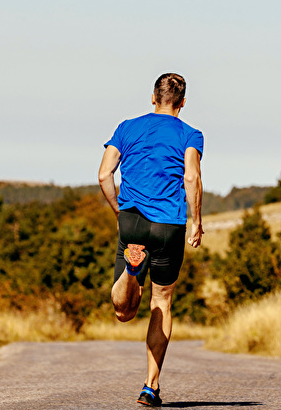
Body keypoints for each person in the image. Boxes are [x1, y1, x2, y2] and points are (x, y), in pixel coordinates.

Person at [98, 72, 204, 407]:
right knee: (161, 303)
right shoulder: (190, 134)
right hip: (168, 225)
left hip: (132, 222)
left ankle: (131, 273)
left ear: (153, 98)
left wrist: (119, 211)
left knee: (123, 312)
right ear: (183, 103)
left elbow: (104, 174)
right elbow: (191, 176)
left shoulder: (127, 127)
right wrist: (196, 222)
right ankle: (150, 386)